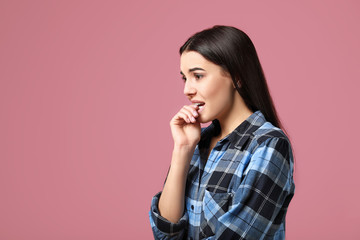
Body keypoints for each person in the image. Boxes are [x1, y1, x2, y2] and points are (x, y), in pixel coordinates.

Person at [149, 25, 295, 240]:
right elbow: (166, 234)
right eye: (184, 78)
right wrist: (182, 149)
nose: (187, 90)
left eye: (198, 76)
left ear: (236, 77)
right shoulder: (198, 142)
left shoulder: (268, 145)